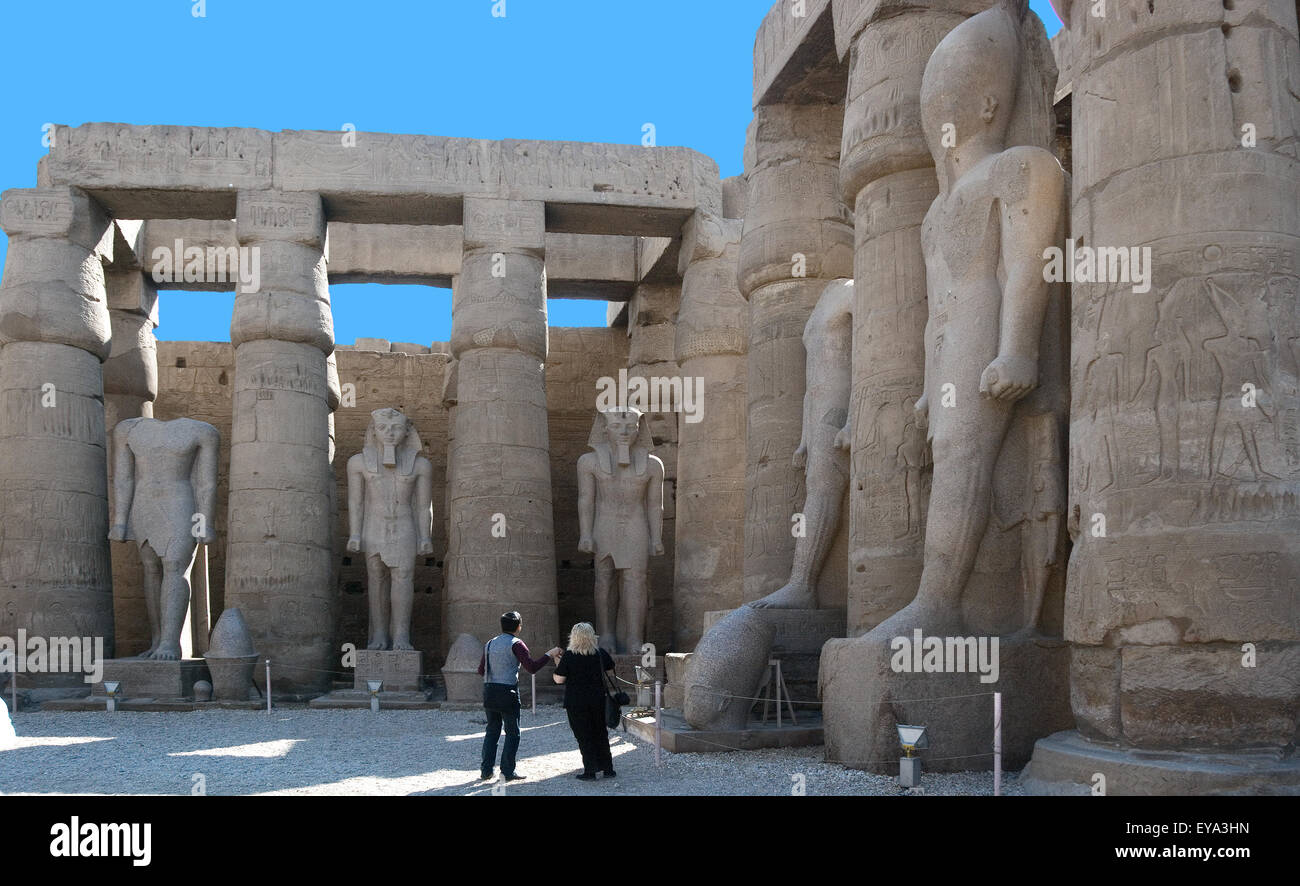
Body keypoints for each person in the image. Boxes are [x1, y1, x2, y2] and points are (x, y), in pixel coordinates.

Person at [477, 611, 561, 781]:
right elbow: (531, 668)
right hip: (507, 692)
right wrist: (549, 654)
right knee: (512, 733)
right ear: (519, 626)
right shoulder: (517, 644)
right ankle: (507, 771)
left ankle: (486, 771)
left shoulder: (490, 643)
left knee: (492, 731)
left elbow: (481, 670)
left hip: (489, 691)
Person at [552, 622, 617, 780]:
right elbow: (610, 668)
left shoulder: (569, 655)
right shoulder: (600, 653)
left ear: (573, 637)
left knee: (584, 735)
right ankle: (608, 768)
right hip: (597, 699)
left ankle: (590, 770)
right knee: (600, 733)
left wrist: (557, 663)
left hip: (576, 701)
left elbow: (559, 680)